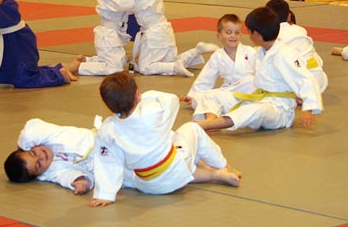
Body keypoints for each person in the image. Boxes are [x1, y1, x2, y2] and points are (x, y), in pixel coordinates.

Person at [89, 72, 241, 207]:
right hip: (175, 170)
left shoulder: (107, 129)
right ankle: (224, 166)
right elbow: (171, 99)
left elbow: (107, 162)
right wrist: (143, 97)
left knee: (169, 139)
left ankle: (215, 175)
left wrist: (105, 194)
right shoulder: (152, 110)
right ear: (137, 94)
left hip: (148, 185)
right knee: (192, 129)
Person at [195, 7, 324, 133]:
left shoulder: (284, 54)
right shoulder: (261, 51)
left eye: (249, 32)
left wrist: (309, 108)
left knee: (253, 110)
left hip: (279, 110)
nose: (248, 35)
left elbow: (305, 78)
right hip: (259, 98)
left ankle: (207, 125)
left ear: (256, 34)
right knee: (211, 95)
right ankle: (211, 120)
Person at [132, 0, 218, 77]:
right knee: (165, 62)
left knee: (145, 67)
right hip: (161, 32)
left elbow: (128, 6)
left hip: (155, 34)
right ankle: (195, 52)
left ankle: (174, 67)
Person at [70, 0, 148, 76]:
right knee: (114, 70)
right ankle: (81, 67)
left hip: (114, 35)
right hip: (107, 37)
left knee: (121, 61)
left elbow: (129, 5)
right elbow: (122, 4)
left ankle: (86, 60)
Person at [181, 14, 257, 120]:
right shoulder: (217, 56)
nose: (233, 36)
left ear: (241, 35)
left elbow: (261, 73)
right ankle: (211, 119)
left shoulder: (250, 52)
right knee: (202, 96)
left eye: (237, 32)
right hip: (230, 92)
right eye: (228, 32)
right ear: (219, 36)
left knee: (251, 80)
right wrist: (194, 94)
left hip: (249, 91)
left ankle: (215, 114)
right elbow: (206, 77)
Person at [4, 118, 95, 195]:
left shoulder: (49, 138)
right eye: (38, 165)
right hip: (102, 164)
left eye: (33, 153)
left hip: (98, 139)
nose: (41, 156)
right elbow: (66, 176)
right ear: (39, 174)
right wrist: (80, 181)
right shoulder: (51, 171)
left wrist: (21, 145)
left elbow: (30, 131)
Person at [265, 0, 328, 94]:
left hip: (296, 86)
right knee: (310, 54)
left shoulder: (270, 34)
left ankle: (299, 94)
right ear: (289, 16)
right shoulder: (300, 30)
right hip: (319, 82)